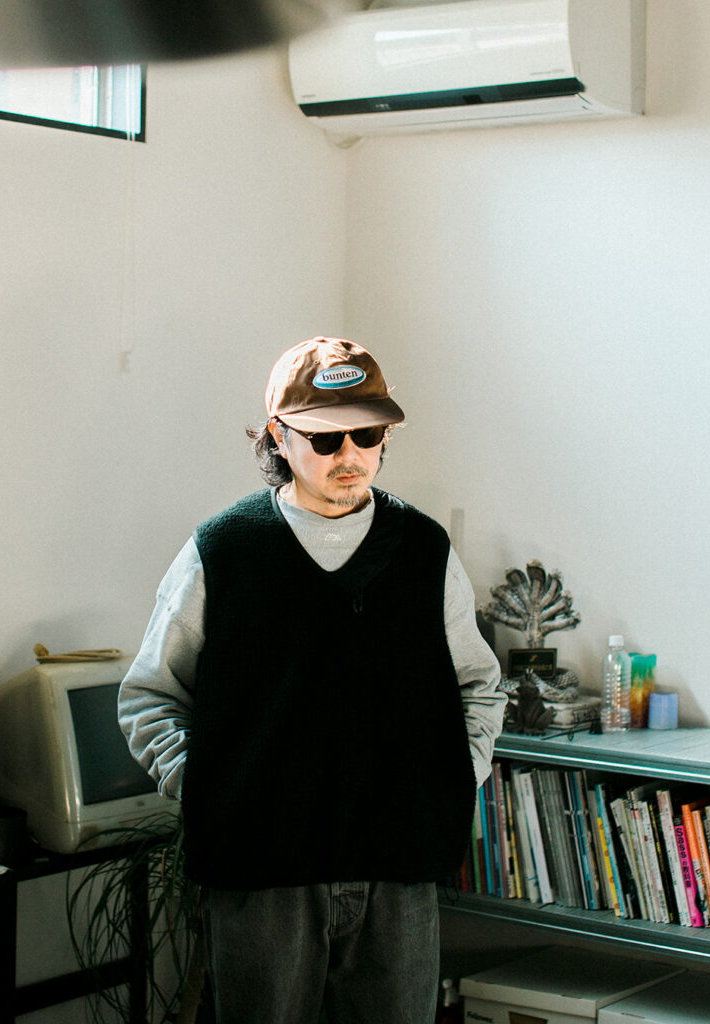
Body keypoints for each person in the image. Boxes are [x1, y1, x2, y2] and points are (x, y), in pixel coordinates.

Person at [118, 336, 505, 1024]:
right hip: (260, 877)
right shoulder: (223, 550)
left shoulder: (423, 551)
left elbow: (477, 686)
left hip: (397, 873)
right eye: (326, 439)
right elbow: (150, 696)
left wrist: (450, 780)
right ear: (278, 436)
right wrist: (214, 789)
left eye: (368, 435)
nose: (350, 455)